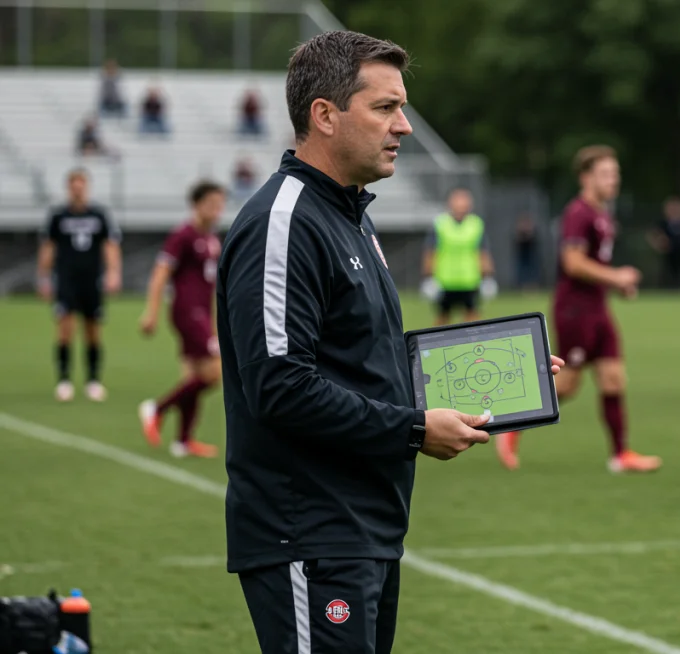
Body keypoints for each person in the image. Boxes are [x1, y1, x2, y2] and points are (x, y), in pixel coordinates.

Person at [215, 31, 563, 653]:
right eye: (385, 108)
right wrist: (412, 429)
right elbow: (279, 386)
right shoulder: (284, 220)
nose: (403, 125)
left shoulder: (349, 213)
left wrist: (499, 375)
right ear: (324, 115)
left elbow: (363, 358)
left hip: (365, 526)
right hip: (309, 532)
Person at [494, 145, 661, 474]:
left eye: (615, 174)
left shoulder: (603, 215)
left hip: (599, 309)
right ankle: (513, 422)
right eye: (605, 174)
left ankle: (620, 455)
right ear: (586, 177)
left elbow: (594, 264)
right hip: (575, 312)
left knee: (613, 378)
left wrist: (618, 285)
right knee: (567, 385)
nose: (613, 180)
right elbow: (573, 263)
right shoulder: (579, 213)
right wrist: (617, 276)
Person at [137, 181, 227, 459]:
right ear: (196, 204)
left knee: (193, 376)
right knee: (214, 372)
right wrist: (150, 312)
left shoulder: (212, 240)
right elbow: (161, 273)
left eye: (220, 204)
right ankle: (157, 409)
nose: (216, 209)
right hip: (187, 311)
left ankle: (183, 441)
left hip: (202, 312)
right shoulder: (183, 235)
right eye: (211, 203)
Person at [37, 168, 122, 402]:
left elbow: (110, 245)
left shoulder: (98, 214)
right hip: (66, 280)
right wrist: (43, 277)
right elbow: (48, 247)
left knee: (93, 330)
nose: (77, 189)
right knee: (65, 329)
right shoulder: (58, 216)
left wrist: (113, 272)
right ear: (68, 187)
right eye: (73, 185)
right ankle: (64, 380)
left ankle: (93, 380)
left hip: (91, 279)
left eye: (81, 185)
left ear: (86, 187)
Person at [420, 188, 496, 325]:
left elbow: (482, 252)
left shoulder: (476, 224)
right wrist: (429, 277)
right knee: (442, 320)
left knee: (473, 320)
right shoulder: (440, 224)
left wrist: (488, 277)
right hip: (445, 281)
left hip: (470, 281)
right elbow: (431, 252)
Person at [648, 196, 680, 289]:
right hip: (668, 253)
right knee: (667, 273)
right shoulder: (663, 223)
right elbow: (653, 234)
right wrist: (660, 242)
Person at [513, 213, 540, 289]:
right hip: (523, 254)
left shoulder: (532, 231)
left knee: (532, 269)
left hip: (530, 254)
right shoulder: (520, 231)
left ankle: (532, 285)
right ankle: (523, 285)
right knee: (523, 269)